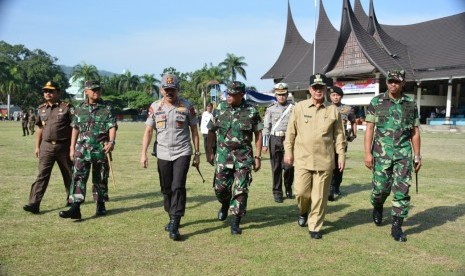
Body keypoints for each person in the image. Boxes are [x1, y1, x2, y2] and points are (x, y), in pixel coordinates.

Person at [284, 73, 346, 239]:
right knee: (301, 193)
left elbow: (339, 135)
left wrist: (341, 156)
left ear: (326, 89)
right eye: (315, 88)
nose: (319, 91)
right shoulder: (300, 107)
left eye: (321, 88)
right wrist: (288, 152)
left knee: (319, 197)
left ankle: (315, 227)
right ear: (310, 90)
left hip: (324, 161)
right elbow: (291, 132)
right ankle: (303, 211)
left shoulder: (333, 111)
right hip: (302, 159)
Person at [140, 73, 200, 241]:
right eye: (166, 89)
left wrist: (197, 153)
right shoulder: (155, 107)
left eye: (172, 89)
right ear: (161, 90)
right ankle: (171, 214)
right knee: (166, 188)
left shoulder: (187, 106)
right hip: (163, 153)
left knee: (178, 186)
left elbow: (194, 131)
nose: (169, 92)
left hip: (182, 151)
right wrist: (143, 153)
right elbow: (148, 131)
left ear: (177, 89)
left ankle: (175, 221)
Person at [364, 70, 422, 242]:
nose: (393, 84)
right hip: (381, 154)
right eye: (390, 81)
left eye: (396, 82)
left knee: (402, 190)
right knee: (380, 189)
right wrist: (367, 153)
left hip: (403, 153)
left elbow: (415, 132)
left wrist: (417, 156)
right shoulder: (377, 102)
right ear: (387, 82)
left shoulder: (410, 104)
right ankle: (378, 205)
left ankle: (396, 226)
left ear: (403, 83)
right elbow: (369, 129)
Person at [206, 81, 263, 235]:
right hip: (223, 156)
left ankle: (235, 222)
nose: (228, 96)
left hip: (243, 156)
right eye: (227, 93)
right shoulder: (220, 109)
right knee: (220, 188)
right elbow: (211, 131)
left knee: (241, 189)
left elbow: (258, 134)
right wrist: (209, 152)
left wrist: (257, 156)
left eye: (232, 94)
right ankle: (225, 204)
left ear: (241, 95)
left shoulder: (251, 111)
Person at [59, 80, 117, 220]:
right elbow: (75, 128)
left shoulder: (107, 108)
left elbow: (112, 126)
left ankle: (100, 204)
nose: (96, 92)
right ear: (86, 91)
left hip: (100, 148)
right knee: (78, 176)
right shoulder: (79, 108)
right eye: (93, 90)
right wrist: (72, 148)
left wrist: (112, 142)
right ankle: (75, 207)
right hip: (82, 149)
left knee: (101, 177)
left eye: (98, 89)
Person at [23, 81, 74, 214]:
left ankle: (72, 200)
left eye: (51, 91)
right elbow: (40, 128)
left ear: (58, 92)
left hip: (64, 146)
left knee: (68, 174)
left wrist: (73, 147)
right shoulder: (41, 109)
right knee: (42, 175)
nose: (47, 93)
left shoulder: (67, 107)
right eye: (45, 91)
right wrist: (37, 146)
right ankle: (34, 203)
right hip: (46, 146)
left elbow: (75, 127)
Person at [262, 82, 294, 203]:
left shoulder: (293, 108)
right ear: (275, 95)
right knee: (276, 167)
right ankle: (277, 192)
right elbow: (266, 127)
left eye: (284, 94)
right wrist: (265, 144)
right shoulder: (270, 109)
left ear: (287, 94)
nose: (281, 97)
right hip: (274, 139)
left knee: (289, 166)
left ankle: (288, 187)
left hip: (289, 140)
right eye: (279, 95)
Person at [327, 86, 357, 201]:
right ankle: (329, 187)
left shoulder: (347, 109)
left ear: (341, 96)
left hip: (341, 141)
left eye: (337, 95)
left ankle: (336, 186)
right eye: (333, 95)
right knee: (329, 164)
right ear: (330, 96)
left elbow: (353, 121)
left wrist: (354, 134)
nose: (335, 97)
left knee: (339, 166)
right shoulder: (325, 108)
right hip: (327, 141)